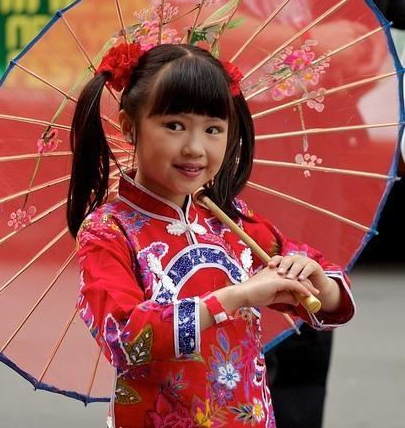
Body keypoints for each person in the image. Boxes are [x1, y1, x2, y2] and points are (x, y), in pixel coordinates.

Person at [68, 42, 355, 427]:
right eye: (174, 125)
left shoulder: (230, 220)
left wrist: (313, 278)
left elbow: (329, 297)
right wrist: (239, 296)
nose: (195, 148)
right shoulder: (109, 230)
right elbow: (124, 337)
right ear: (129, 127)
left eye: (213, 129)